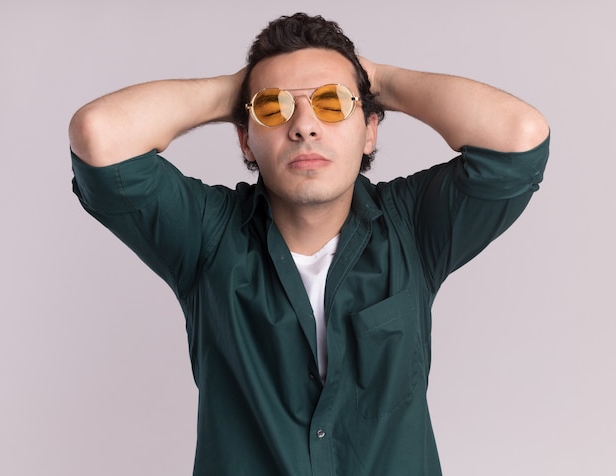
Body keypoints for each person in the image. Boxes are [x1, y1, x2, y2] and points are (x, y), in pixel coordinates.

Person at [69, 12, 550, 476]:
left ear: (370, 130)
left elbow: (518, 138)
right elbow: (100, 135)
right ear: (244, 140)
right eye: (273, 108)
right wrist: (235, 92)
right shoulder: (207, 237)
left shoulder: (412, 229)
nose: (304, 125)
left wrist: (377, 78)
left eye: (333, 103)